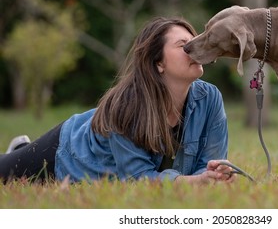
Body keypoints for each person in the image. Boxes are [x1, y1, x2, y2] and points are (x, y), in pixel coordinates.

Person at [0, 17, 236, 185]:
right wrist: (194, 183)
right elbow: (137, 179)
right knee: (5, 172)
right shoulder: (126, 106)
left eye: (197, 41)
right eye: (183, 46)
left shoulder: (210, 99)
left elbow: (208, 165)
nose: (197, 48)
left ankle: (21, 150)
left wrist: (212, 176)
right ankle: (22, 153)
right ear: (158, 63)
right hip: (67, 153)